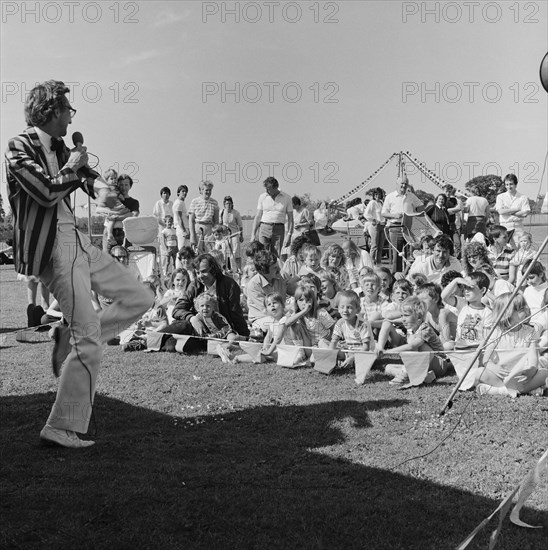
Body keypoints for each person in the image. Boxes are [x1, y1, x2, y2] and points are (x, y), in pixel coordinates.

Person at [5, 80, 154, 447]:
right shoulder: (17, 147)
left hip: (78, 241)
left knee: (140, 299)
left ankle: (68, 334)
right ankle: (60, 426)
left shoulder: (61, 148)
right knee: (89, 337)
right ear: (51, 112)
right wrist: (74, 167)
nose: (72, 117)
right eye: (68, 110)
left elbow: (89, 183)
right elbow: (46, 191)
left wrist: (110, 194)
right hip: (53, 250)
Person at [476, 293, 548, 397]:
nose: (527, 309)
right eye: (521, 308)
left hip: (522, 375)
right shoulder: (496, 333)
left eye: (526, 306)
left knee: (545, 373)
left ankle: (501, 391)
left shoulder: (530, 331)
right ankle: (515, 390)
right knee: (480, 372)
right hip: (501, 376)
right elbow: (486, 360)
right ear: (507, 313)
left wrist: (532, 369)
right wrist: (493, 367)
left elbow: (533, 356)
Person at [167, 254, 249, 338]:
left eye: (204, 271)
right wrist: (192, 318)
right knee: (181, 325)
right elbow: (177, 309)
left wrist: (244, 336)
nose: (200, 276)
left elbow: (236, 314)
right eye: (198, 272)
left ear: (213, 270)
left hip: (223, 330)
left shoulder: (229, 285)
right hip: (199, 329)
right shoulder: (195, 285)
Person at [382, 296, 445, 386]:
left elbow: (412, 346)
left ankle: (408, 374)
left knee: (417, 344)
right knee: (388, 367)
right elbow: (394, 320)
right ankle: (422, 375)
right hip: (425, 364)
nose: (403, 319)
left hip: (439, 363)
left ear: (419, 317)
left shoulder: (425, 328)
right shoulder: (412, 326)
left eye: (406, 315)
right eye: (401, 315)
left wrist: (387, 352)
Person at [382, 175, 424, 272]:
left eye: (406, 183)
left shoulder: (411, 196)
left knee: (413, 253)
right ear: (397, 184)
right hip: (395, 227)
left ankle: (410, 274)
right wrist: (394, 215)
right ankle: (396, 277)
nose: (404, 186)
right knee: (397, 255)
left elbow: (421, 206)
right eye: (402, 183)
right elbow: (383, 213)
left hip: (409, 228)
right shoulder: (390, 197)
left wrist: (415, 213)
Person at [441, 271, 493, 350]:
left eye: (470, 287)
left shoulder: (487, 312)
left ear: (482, 290)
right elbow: (444, 296)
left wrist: (478, 351)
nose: (466, 290)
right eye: (465, 287)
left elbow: (486, 338)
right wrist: (456, 280)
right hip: (460, 348)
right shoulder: (462, 304)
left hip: (476, 349)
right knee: (447, 346)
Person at [251, 176, 294, 257]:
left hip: (278, 230)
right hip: (264, 228)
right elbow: (258, 216)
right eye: (266, 188)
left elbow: (291, 218)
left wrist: (289, 235)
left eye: (269, 189)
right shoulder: (262, 197)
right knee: (263, 255)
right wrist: (253, 234)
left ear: (275, 187)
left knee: (276, 256)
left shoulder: (287, 198)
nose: (267, 191)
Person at [246, 250, 287, 324]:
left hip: (281, 313)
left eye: (277, 266)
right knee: (281, 324)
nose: (279, 269)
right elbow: (268, 310)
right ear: (264, 272)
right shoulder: (254, 285)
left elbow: (296, 290)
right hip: (263, 318)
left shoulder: (280, 276)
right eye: (274, 268)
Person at [494, 174, 531, 240]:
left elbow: (525, 213)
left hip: (518, 227)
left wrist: (507, 211)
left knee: (519, 249)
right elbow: (501, 212)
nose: (509, 187)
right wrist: (516, 209)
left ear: (516, 185)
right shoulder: (500, 197)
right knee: (506, 249)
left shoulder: (523, 197)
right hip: (504, 227)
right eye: (507, 184)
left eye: (511, 184)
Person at [188, 181, 219, 252]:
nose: (208, 192)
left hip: (209, 229)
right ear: (201, 190)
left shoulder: (214, 202)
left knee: (210, 252)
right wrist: (192, 236)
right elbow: (191, 220)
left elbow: (216, 221)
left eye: (210, 190)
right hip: (198, 228)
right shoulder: (194, 201)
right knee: (197, 252)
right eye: (206, 190)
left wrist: (215, 233)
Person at [219, 196, 244, 270]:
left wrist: (241, 236)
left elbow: (240, 225)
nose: (228, 205)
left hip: (234, 235)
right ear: (224, 204)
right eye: (227, 203)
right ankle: (227, 269)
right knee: (225, 254)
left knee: (236, 253)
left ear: (232, 204)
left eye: (229, 203)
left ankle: (239, 269)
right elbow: (220, 224)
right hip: (225, 236)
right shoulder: (222, 212)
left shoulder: (236, 213)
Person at [364, 187, 386, 265]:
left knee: (380, 246)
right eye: (376, 194)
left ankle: (379, 262)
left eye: (379, 194)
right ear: (374, 195)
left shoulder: (381, 203)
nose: (377, 195)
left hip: (383, 225)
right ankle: (371, 263)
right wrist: (373, 220)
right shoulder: (372, 203)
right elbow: (366, 214)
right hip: (375, 226)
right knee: (374, 246)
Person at [172, 185, 190, 250]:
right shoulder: (178, 203)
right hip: (181, 229)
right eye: (183, 191)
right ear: (178, 193)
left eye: (186, 192)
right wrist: (184, 231)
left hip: (185, 228)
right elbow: (179, 218)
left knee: (187, 249)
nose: (184, 193)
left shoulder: (182, 203)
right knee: (182, 249)